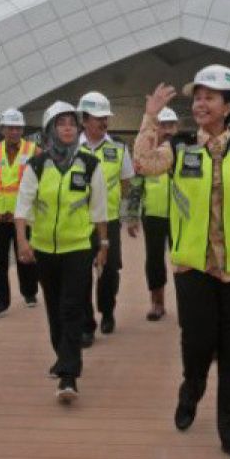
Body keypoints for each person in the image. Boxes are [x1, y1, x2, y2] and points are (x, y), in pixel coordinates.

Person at [134, 65, 230, 459]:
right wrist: (150, 116)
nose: (200, 103)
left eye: (209, 97)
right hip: (192, 267)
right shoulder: (179, 148)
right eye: (197, 96)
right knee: (197, 345)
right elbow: (143, 165)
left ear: (229, 105)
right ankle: (191, 388)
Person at [14, 101, 109, 401]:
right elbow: (23, 207)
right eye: (61, 123)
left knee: (70, 309)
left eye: (72, 122)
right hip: (44, 250)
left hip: (79, 249)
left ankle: (69, 377)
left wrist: (103, 245)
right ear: (50, 130)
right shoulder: (37, 165)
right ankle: (62, 357)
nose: (68, 127)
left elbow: (99, 210)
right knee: (54, 308)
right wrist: (22, 241)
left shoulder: (90, 165)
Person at [77, 91, 135, 344]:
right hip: (78, 222)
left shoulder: (119, 148)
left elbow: (126, 185)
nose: (104, 122)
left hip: (109, 220)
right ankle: (86, 324)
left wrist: (127, 213)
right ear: (84, 119)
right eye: (98, 117)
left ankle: (107, 311)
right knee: (80, 274)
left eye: (105, 117)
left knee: (110, 271)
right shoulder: (70, 149)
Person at [0, 108, 39, 320]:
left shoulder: (35, 151)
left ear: (23, 129)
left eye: (18, 128)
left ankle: (30, 292)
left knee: (26, 256)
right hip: (0, 215)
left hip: (25, 215)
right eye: (10, 127)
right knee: (0, 260)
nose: (14, 131)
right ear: (2, 129)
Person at [126, 106, 180, 320]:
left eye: (171, 125)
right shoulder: (146, 156)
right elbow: (136, 186)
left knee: (185, 261)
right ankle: (157, 303)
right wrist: (132, 215)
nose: (167, 130)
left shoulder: (185, 152)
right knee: (155, 261)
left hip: (181, 218)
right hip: (153, 216)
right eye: (163, 125)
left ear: (177, 128)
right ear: (155, 128)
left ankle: (188, 303)